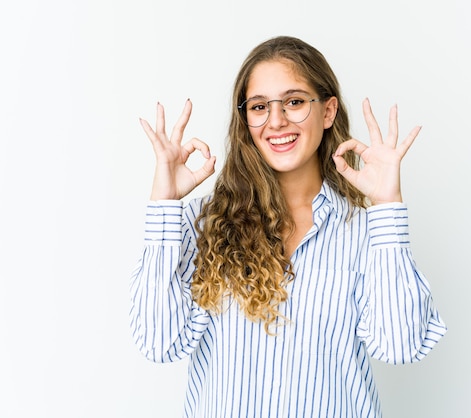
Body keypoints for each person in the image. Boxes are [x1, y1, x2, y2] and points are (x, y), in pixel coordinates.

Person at [129, 35, 446, 418]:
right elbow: (159, 343)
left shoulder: (366, 231)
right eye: (260, 106)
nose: (276, 120)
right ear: (246, 119)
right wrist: (164, 205)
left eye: (294, 102)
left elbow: (401, 346)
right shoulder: (202, 226)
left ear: (327, 112)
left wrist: (386, 208)